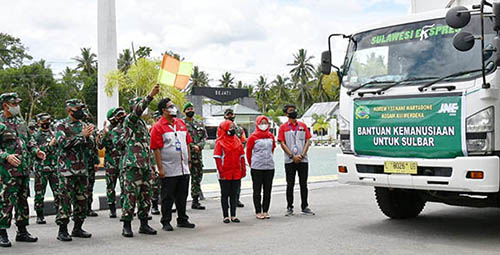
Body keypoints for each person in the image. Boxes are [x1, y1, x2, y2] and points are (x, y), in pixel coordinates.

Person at [0, 92, 45, 247]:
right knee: (6, 200)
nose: (17, 106)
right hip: (6, 172)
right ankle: (2, 232)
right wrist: (6, 156)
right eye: (14, 104)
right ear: (5, 105)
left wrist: (36, 151)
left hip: (24, 169)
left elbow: (29, 140)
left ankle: (22, 231)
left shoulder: (20, 122)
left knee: (22, 201)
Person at [116, 84, 159, 237]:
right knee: (130, 196)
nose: (144, 109)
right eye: (140, 105)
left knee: (145, 196)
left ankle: (144, 224)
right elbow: (138, 111)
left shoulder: (142, 124)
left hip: (145, 165)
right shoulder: (130, 120)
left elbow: (147, 147)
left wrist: (153, 166)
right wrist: (150, 95)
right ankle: (126, 225)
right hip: (132, 165)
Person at [151, 98, 196, 231]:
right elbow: (156, 149)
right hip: (169, 168)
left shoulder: (181, 123)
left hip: (183, 168)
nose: (173, 108)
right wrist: (160, 168)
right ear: (164, 110)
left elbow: (187, 143)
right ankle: (166, 221)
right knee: (167, 196)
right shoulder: (158, 127)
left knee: (182, 195)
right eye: (170, 106)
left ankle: (182, 219)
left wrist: (188, 161)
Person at [55, 99, 93, 241]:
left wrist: (89, 138)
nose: (81, 111)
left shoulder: (84, 125)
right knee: (65, 200)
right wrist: (82, 136)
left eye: (82, 108)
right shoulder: (61, 125)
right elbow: (62, 143)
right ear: (69, 110)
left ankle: (78, 227)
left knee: (82, 199)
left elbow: (91, 146)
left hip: (82, 169)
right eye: (78, 109)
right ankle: (62, 230)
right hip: (67, 170)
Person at [278, 104, 315, 217]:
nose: (294, 112)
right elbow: (282, 143)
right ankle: (290, 207)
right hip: (290, 160)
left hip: (303, 160)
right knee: (290, 184)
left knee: (303, 184)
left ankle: (305, 206)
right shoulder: (283, 127)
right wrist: (291, 156)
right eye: (291, 110)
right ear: (286, 114)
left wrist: (302, 155)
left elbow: (308, 141)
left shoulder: (303, 126)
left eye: (294, 110)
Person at [214, 120, 246, 224]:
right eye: (230, 127)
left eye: (233, 127)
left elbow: (242, 156)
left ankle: (233, 215)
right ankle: (225, 216)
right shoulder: (220, 142)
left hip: (236, 171)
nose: (232, 129)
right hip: (225, 172)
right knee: (225, 194)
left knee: (234, 194)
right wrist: (221, 172)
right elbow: (218, 158)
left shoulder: (237, 140)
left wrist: (243, 170)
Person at [98, 107, 126, 218]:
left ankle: (125, 208)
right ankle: (112, 209)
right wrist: (105, 135)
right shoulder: (105, 130)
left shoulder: (124, 128)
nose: (119, 117)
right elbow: (100, 146)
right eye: (117, 115)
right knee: (110, 187)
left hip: (123, 161)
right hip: (111, 163)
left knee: (125, 186)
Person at [246, 116, 275, 219]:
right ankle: (258, 211)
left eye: (265, 123)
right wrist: (251, 164)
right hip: (257, 167)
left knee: (268, 190)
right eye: (261, 123)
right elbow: (248, 151)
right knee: (257, 190)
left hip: (269, 166)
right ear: (257, 124)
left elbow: (272, 149)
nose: (263, 125)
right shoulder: (253, 137)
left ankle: (266, 210)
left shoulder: (271, 136)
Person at [32, 113, 59, 225]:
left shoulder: (54, 134)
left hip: (54, 168)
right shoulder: (35, 136)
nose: (46, 123)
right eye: (44, 121)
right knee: (39, 193)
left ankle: (60, 213)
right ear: (39, 123)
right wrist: (49, 145)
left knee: (58, 193)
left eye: (48, 121)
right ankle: (39, 215)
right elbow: (35, 150)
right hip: (41, 169)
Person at [217, 108, 246, 208]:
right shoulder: (222, 127)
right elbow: (220, 140)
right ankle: (227, 202)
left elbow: (243, 140)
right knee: (226, 184)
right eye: (228, 115)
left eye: (231, 114)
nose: (230, 116)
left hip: (237, 156)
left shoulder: (239, 129)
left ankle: (236, 199)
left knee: (237, 182)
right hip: (226, 157)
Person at [182, 102, 207, 210]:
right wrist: (192, 146)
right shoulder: (181, 124)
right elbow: (181, 138)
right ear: (184, 112)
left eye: (192, 109)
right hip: (186, 156)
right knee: (184, 179)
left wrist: (200, 146)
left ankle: (195, 201)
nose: (190, 111)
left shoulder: (199, 123)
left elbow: (204, 137)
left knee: (197, 178)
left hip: (197, 156)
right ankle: (181, 202)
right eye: (188, 109)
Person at [83, 108, 99, 217]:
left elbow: (95, 148)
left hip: (90, 164)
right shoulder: (78, 129)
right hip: (80, 164)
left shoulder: (91, 129)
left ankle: (88, 208)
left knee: (90, 187)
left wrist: (96, 161)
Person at [149, 110, 162, 216]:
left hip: (165, 158)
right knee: (155, 184)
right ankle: (154, 205)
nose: (158, 119)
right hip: (154, 159)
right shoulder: (151, 130)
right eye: (157, 117)